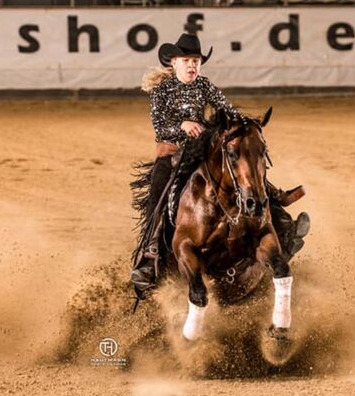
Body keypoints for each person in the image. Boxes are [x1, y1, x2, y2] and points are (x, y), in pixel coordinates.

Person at [130, 32, 309, 297]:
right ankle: (151, 254)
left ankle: (279, 218)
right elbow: (159, 124)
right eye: (187, 60)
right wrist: (182, 124)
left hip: (203, 149)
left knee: (244, 171)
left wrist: (246, 124)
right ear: (174, 63)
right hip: (172, 154)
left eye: (196, 61)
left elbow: (226, 111)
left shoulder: (204, 85)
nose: (192, 65)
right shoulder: (162, 91)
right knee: (160, 196)